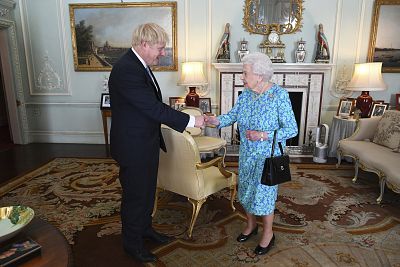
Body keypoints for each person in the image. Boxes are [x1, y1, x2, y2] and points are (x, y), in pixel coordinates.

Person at [108, 23, 204, 263]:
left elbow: (150, 107)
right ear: (144, 44)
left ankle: (145, 230)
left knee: (147, 191)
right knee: (135, 196)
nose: (163, 53)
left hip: (145, 142)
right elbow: (152, 107)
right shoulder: (127, 69)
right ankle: (132, 244)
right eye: (160, 48)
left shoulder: (140, 65)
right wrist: (192, 119)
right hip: (133, 146)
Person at [205, 52, 298, 256]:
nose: (242, 76)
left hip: (267, 157)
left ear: (259, 75)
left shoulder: (279, 96)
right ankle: (251, 225)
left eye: (244, 72)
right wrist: (215, 121)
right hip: (246, 154)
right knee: (246, 190)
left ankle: (268, 233)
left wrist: (263, 135)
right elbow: (233, 115)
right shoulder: (246, 94)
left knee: (264, 196)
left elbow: (292, 129)